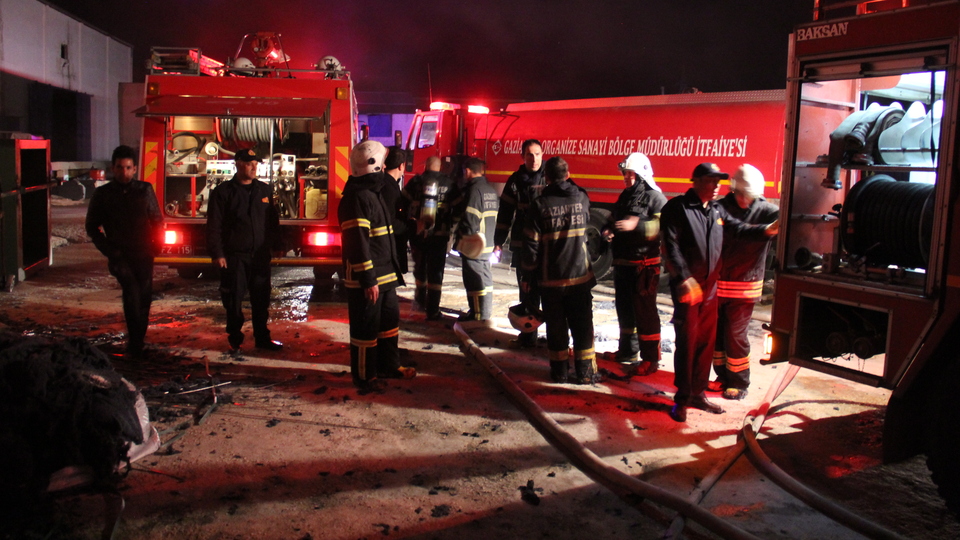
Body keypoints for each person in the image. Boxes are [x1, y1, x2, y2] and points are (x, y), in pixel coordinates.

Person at [660, 162, 777, 422]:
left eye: (720, 182)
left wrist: (766, 230)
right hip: (689, 290)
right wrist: (684, 278)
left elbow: (738, 229)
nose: (717, 187)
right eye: (712, 181)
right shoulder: (677, 208)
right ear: (696, 181)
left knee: (705, 345)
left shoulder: (716, 210)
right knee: (688, 344)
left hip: (710, 290)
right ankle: (682, 398)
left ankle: (698, 394)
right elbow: (670, 246)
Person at [339, 140, 415, 388]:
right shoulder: (357, 198)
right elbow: (357, 244)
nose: (386, 166)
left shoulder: (374, 193)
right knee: (365, 331)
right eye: (382, 162)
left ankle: (388, 366)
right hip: (368, 279)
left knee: (388, 325)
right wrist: (368, 280)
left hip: (385, 275)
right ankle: (364, 376)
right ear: (374, 165)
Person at [521, 157, 598, 384]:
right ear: (568, 174)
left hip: (551, 279)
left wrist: (528, 275)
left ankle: (559, 373)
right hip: (580, 277)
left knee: (556, 327)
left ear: (546, 177)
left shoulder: (539, 205)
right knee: (583, 325)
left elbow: (531, 246)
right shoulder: (582, 197)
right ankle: (585, 374)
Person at [85, 145, 163, 357]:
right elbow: (92, 227)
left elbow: (157, 220)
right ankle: (135, 343)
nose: (124, 172)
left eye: (128, 167)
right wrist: (110, 250)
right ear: (113, 168)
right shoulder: (103, 194)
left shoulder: (144, 190)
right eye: (120, 167)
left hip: (144, 252)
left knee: (144, 296)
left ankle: (138, 339)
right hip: (120, 254)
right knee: (131, 292)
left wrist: (156, 246)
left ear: (135, 168)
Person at [712, 164, 779, 401]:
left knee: (735, 334)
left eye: (748, 196)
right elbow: (735, 230)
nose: (743, 200)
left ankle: (739, 382)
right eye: (740, 195)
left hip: (745, 285)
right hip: (719, 283)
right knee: (717, 334)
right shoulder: (720, 207)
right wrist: (766, 231)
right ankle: (722, 376)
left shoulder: (769, 211)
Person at [206, 148, 283, 352]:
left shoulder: (264, 191)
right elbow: (214, 225)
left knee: (261, 300)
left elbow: (272, 222)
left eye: (256, 163)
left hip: (259, 257)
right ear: (238, 164)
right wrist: (218, 253)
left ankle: (262, 338)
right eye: (249, 163)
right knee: (233, 300)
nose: (253, 167)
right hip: (235, 257)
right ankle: (235, 338)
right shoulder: (223, 193)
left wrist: (277, 246)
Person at [601, 153, 667, 376]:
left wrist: (636, 225)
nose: (627, 178)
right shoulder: (625, 197)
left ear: (642, 175)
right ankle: (628, 351)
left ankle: (651, 359)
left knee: (645, 313)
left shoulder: (656, 198)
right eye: (625, 174)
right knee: (625, 309)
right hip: (624, 263)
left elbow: (661, 228)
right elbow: (612, 220)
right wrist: (608, 230)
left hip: (644, 266)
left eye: (631, 174)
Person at [494, 139, 545, 347]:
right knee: (526, 291)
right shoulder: (515, 181)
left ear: (543, 154)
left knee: (548, 292)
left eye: (537, 154)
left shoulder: (549, 179)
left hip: (546, 246)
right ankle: (528, 336)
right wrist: (498, 242)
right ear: (522, 157)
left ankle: (555, 337)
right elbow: (505, 213)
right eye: (529, 155)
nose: (534, 159)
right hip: (523, 245)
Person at [403, 156, 456, 320]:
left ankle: (419, 302)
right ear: (440, 168)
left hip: (418, 234)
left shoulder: (416, 182)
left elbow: (402, 202)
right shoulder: (449, 184)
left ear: (425, 166)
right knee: (436, 272)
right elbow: (460, 206)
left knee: (420, 268)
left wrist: (410, 223)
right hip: (439, 236)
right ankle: (433, 310)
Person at [454, 157, 498, 321]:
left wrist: (462, 240)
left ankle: (478, 315)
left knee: (474, 281)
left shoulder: (473, 191)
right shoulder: (490, 190)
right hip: (488, 243)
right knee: (485, 279)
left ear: (467, 171)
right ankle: (484, 312)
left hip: (474, 245)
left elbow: (470, 221)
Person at [383, 146, 409, 274]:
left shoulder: (386, 184)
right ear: (401, 165)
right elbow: (390, 220)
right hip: (388, 250)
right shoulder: (389, 188)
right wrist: (411, 226)